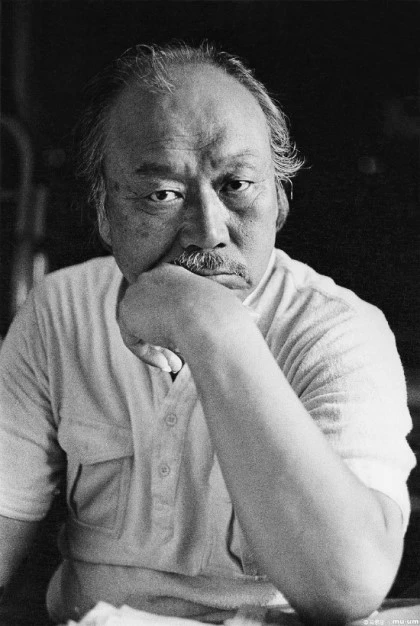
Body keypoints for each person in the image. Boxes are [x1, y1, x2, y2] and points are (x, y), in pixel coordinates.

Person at [0, 43, 416, 625]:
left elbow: (346, 586)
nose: (207, 231)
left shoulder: (338, 331)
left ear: (280, 199)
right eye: (162, 195)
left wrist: (209, 325)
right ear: (103, 211)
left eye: (237, 184)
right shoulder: (61, 309)